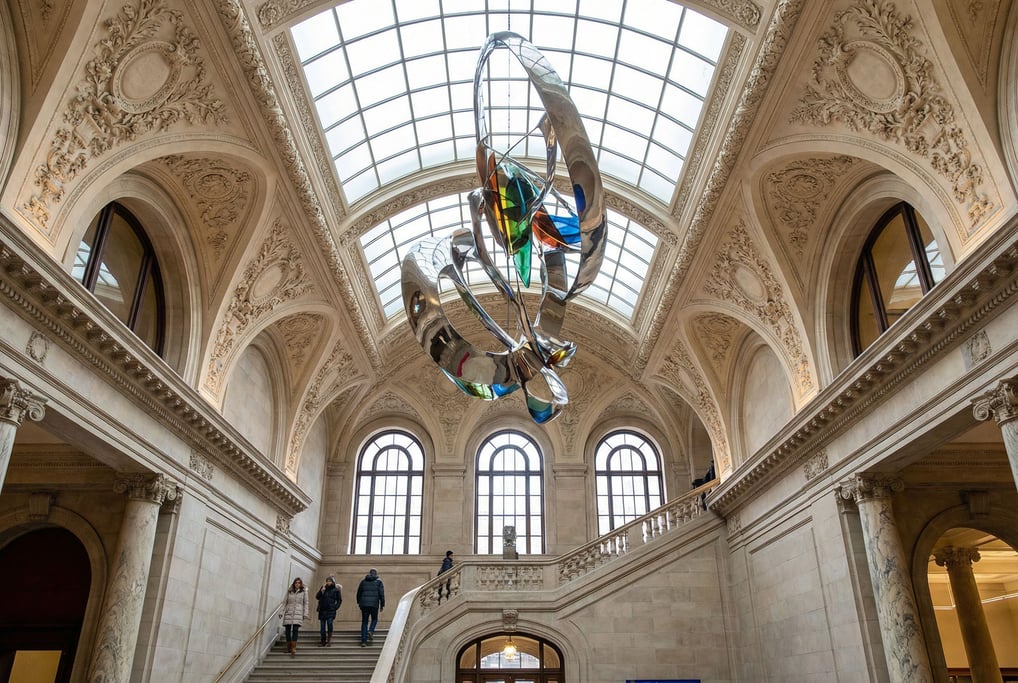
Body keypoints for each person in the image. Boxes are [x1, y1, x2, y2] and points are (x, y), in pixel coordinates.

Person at [355, 568, 385, 647]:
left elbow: (358, 593)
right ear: (376, 574)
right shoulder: (379, 582)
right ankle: (371, 631)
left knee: (364, 622)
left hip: (364, 604)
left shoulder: (363, 581)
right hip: (374, 604)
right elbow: (382, 594)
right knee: (374, 619)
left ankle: (364, 641)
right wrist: (382, 605)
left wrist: (359, 602)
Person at [281, 577, 309, 656]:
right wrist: (281, 612)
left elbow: (306, 603)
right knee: (287, 630)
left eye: (299, 583)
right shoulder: (289, 591)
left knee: (295, 629)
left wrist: (305, 613)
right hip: (289, 612)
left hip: (298, 612)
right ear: (294, 584)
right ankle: (289, 647)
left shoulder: (304, 592)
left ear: (301, 584)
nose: (297, 584)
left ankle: (293, 647)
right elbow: (284, 602)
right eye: (296, 583)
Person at [315, 575, 342, 646]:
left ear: (333, 582)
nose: (328, 582)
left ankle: (329, 640)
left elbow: (339, 600)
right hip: (322, 610)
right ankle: (323, 641)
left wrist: (335, 607)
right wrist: (321, 591)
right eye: (327, 581)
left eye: (330, 581)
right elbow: (317, 597)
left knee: (330, 624)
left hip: (331, 610)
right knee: (322, 628)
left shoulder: (336, 590)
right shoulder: (323, 588)